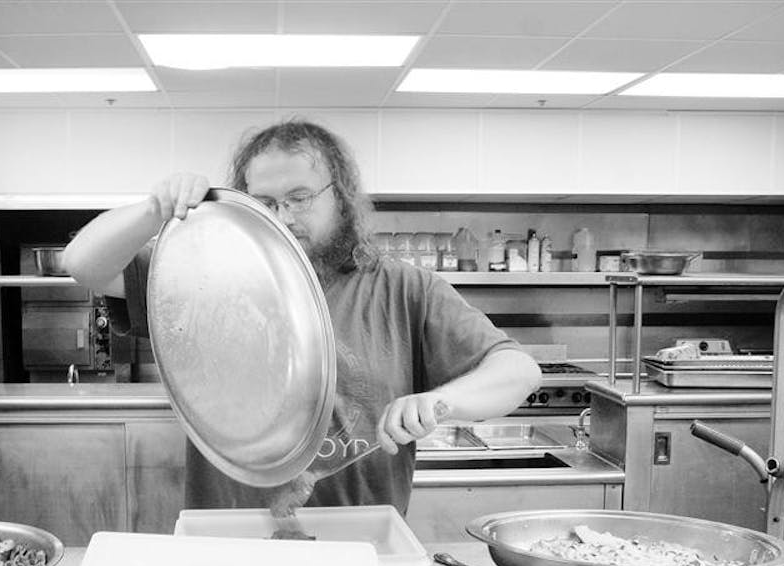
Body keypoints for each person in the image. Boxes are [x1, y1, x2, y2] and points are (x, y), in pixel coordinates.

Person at [63, 119, 541, 515]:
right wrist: (155, 210)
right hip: (232, 542)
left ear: (342, 196)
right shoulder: (204, 281)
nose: (284, 217)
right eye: (266, 203)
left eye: (301, 196)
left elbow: (518, 370)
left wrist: (441, 402)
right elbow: (82, 263)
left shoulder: (403, 288)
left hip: (359, 545)